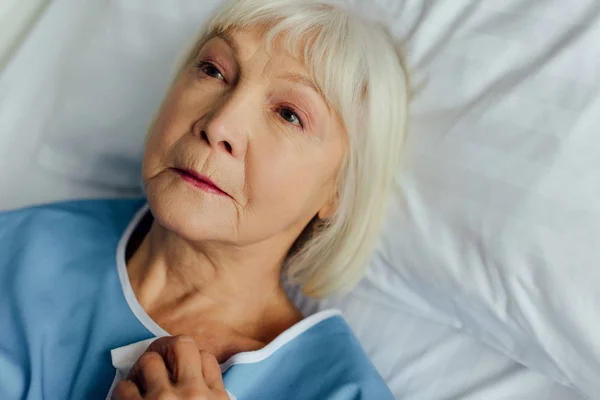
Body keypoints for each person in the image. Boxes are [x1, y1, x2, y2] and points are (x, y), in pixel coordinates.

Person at [0, 0, 408, 398]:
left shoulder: (342, 390)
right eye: (213, 70)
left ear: (338, 191)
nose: (219, 124)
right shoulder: (17, 247)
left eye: (288, 114)